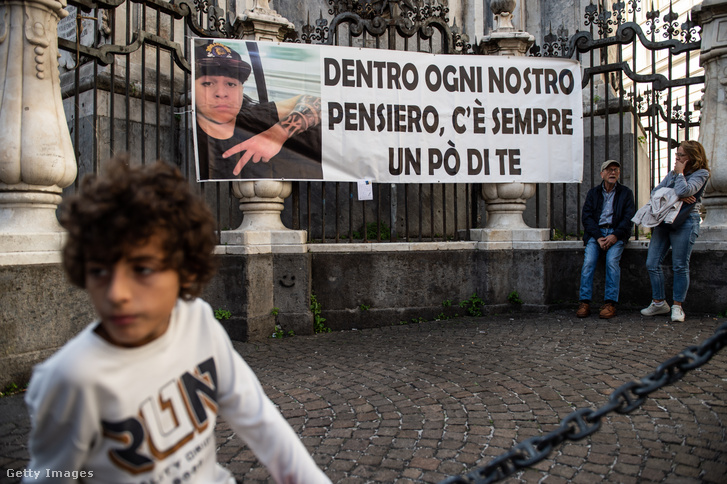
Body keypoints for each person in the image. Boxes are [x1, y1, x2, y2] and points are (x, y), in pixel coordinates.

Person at [23, 159, 332, 484]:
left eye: (142, 269)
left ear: (183, 270)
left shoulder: (197, 321)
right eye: (99, 270)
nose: (116, 294)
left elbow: (258, 418)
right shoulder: (69, 380)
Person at [194, 40, 322, 180]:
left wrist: (278, 133)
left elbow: (317, 102)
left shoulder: (254, 117)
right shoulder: (188, 136)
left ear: (241, 89)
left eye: (230, 84)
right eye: (208, 83)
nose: (221, 93)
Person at [641, 140, 710, 322]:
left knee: (680, 265)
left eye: (681, 155)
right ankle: (658, 303)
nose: (676, 158)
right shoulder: (672, 173)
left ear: (692, 158)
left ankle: (677, 307)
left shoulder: (701, 174)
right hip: (664, 221)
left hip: (686, 221)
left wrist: (680, 177)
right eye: (677, 154)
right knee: (652, 262)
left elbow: (685, 189)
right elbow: (656, 192)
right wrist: (678, 195)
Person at [576, 160, 635, 319]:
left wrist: (615, 235)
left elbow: (628, 218)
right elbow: (587, 218)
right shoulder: (593, 193)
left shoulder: (626, 193)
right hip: (597, 234)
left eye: (616, 170)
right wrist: (599, 237)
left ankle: (610, 303)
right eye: (609, 170)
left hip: (617, 233)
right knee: (589, 261)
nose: (613, 173)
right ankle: (584, 302)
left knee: (612, 262)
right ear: (602, 174)